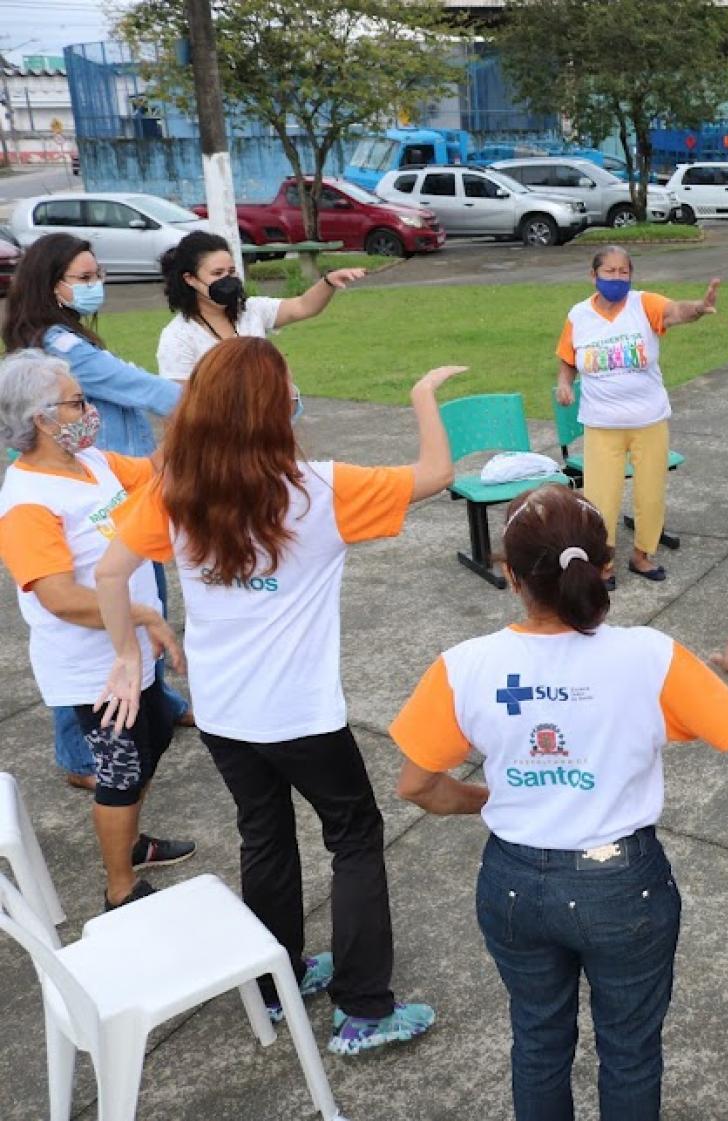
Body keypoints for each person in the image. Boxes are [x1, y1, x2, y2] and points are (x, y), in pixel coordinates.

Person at [94, 337, 465, 1055]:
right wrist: (423, 396)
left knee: (263, 835)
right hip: (301, 715)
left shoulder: (174, 491)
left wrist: (122, 655)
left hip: (225, 713)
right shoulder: (320, 489)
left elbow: (112, 574)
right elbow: (437, 472)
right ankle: (363, 1007)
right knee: (354, 835)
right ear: (275, 411)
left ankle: (276, 977)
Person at [389, 484, 728, 1121]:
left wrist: (495, 801)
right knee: (631, 1051)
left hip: (512, 882)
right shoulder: (650, 656)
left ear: (509, 575)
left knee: (537, 1041)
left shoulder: (464, 666)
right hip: (624, 888)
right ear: (607, 567)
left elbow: (417, 785)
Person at [0, 349, 195, 909]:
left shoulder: (92, 465)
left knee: (154, 737)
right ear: (41, 418)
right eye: (77, 401)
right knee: (121, 772)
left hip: (132, 654)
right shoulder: (28, 502)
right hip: (94, 672)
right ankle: (120, 889)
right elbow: (59, 597)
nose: (89, 410)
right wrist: (141, 613)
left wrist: (197, 413)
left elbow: (158, 470)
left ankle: (132, 841)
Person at [3, 232, 187, 791]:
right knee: (118, 777)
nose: (96, 285)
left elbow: (152, 459)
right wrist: (216, 405)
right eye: (83, 278)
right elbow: (146, 390)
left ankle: (154, 708)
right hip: (88, 653)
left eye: (96, 274)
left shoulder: (92, 455)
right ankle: (89, 772)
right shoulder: (61, 350)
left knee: (132, 609)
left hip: (110, 489)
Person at [555, 247, 720, 588]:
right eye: (610, 271)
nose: (617, 278)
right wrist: (564, 384)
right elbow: (568, 358)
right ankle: (603, 561)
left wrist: (699, 309)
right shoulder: (579, 315)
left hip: (649, 420)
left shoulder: (644, 304)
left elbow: (675, 311)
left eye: (623, 272)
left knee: (650, 493)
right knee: (601, 498)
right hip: (602, 424)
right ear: (594, 275)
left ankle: (643, 555)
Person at [155, 230, 366, 381]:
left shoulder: (251, 311)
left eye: (231, 272)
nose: (227, 279)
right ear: (190, 279)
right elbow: (180, 406)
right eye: (217, 274)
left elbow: (303, 306)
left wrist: (328, 282)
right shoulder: (178, 337)